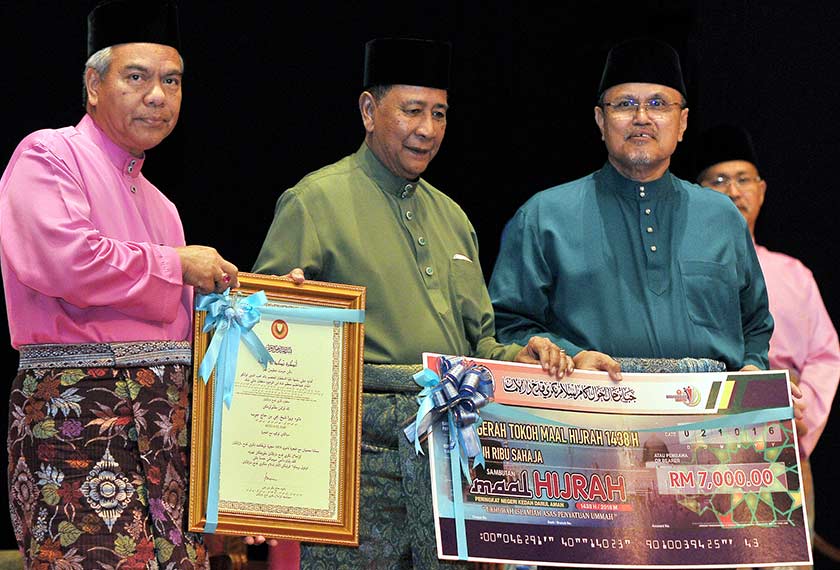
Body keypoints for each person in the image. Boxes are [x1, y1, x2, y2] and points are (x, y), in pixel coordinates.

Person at [252, 37, 572, 569]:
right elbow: (267, 341)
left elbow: (483, 344)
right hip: (359, 466)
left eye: (440, 113)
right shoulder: (314, 201)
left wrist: (524, 356)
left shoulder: (453, 217)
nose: (428, 128)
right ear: (369, 110)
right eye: (413, 110)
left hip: (455, 467)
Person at [0, 2, 239, 568]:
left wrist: (275, 304)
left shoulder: (164, 207)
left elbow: (187, 323)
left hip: (165, 429)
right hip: (79, 419)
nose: (158, 94)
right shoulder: (48, 155)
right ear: (92, 84)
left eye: (171, 80)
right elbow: (67, 260)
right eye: (137, 76)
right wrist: (176, 265)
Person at [488, 38, 774, 375]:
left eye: (658, 103)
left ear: (681, 123)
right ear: (600, 120)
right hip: (591, 412)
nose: (642, 117)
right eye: (624, 104)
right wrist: (571, 357)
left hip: (710, 418)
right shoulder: (544, 215)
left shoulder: (722, 216)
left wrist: (753, 370)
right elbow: (508, 324)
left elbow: (755, 325)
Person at [695, 123, 840, 550]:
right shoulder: (681, 274)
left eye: (743, 180)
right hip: (700, 449)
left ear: (761, 189)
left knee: (780, 560)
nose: (733, 191)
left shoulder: (794, 275)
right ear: (698, 193)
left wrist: (803, 414)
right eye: (718, 181)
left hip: (784, 449)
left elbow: (825, 355)